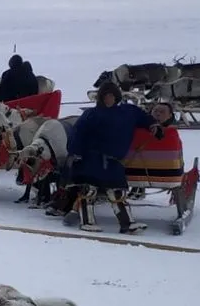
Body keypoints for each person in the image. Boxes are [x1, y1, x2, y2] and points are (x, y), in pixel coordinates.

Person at [63, 79, 160, 233]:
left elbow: (144, 117)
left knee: (117, 192)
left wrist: (153, 125)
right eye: (105, 96)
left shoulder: (128, 112)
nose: (109, 99)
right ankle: (87, 221)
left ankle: (127, 224)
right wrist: (75, 153)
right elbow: (77, 134)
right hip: (91, 159)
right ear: (100, 98)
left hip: (114, 161)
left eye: (111, 96)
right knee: (89, 191)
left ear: (116, 97)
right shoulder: (90, 115)